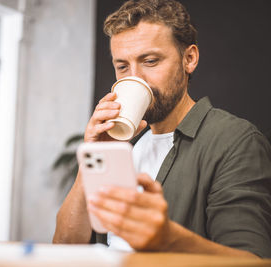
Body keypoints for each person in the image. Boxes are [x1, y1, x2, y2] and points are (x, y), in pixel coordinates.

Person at [53, 0, 271, 258]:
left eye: (150, 61)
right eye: (123, 66)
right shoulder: (123, 145)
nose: (135, 77)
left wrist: (168, 239)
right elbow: (65, 250)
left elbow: (252, 260)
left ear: (189, 59)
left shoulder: (234, 141)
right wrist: (92, 155)